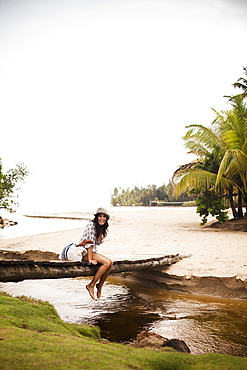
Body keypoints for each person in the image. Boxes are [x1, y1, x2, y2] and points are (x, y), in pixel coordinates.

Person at [76, 207, 113, 300]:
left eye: (104, 217)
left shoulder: (99, 226)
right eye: (100, 216)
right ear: (96, 217)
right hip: (82, 252)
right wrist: (90, 259)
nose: (102, 218)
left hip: (91, 251)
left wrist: (100, 229)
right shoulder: (91, 225)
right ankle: (91, 285)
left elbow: (99, 242)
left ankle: (99, 285)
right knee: (106, 263)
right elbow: (89, 243)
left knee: (111, 262)